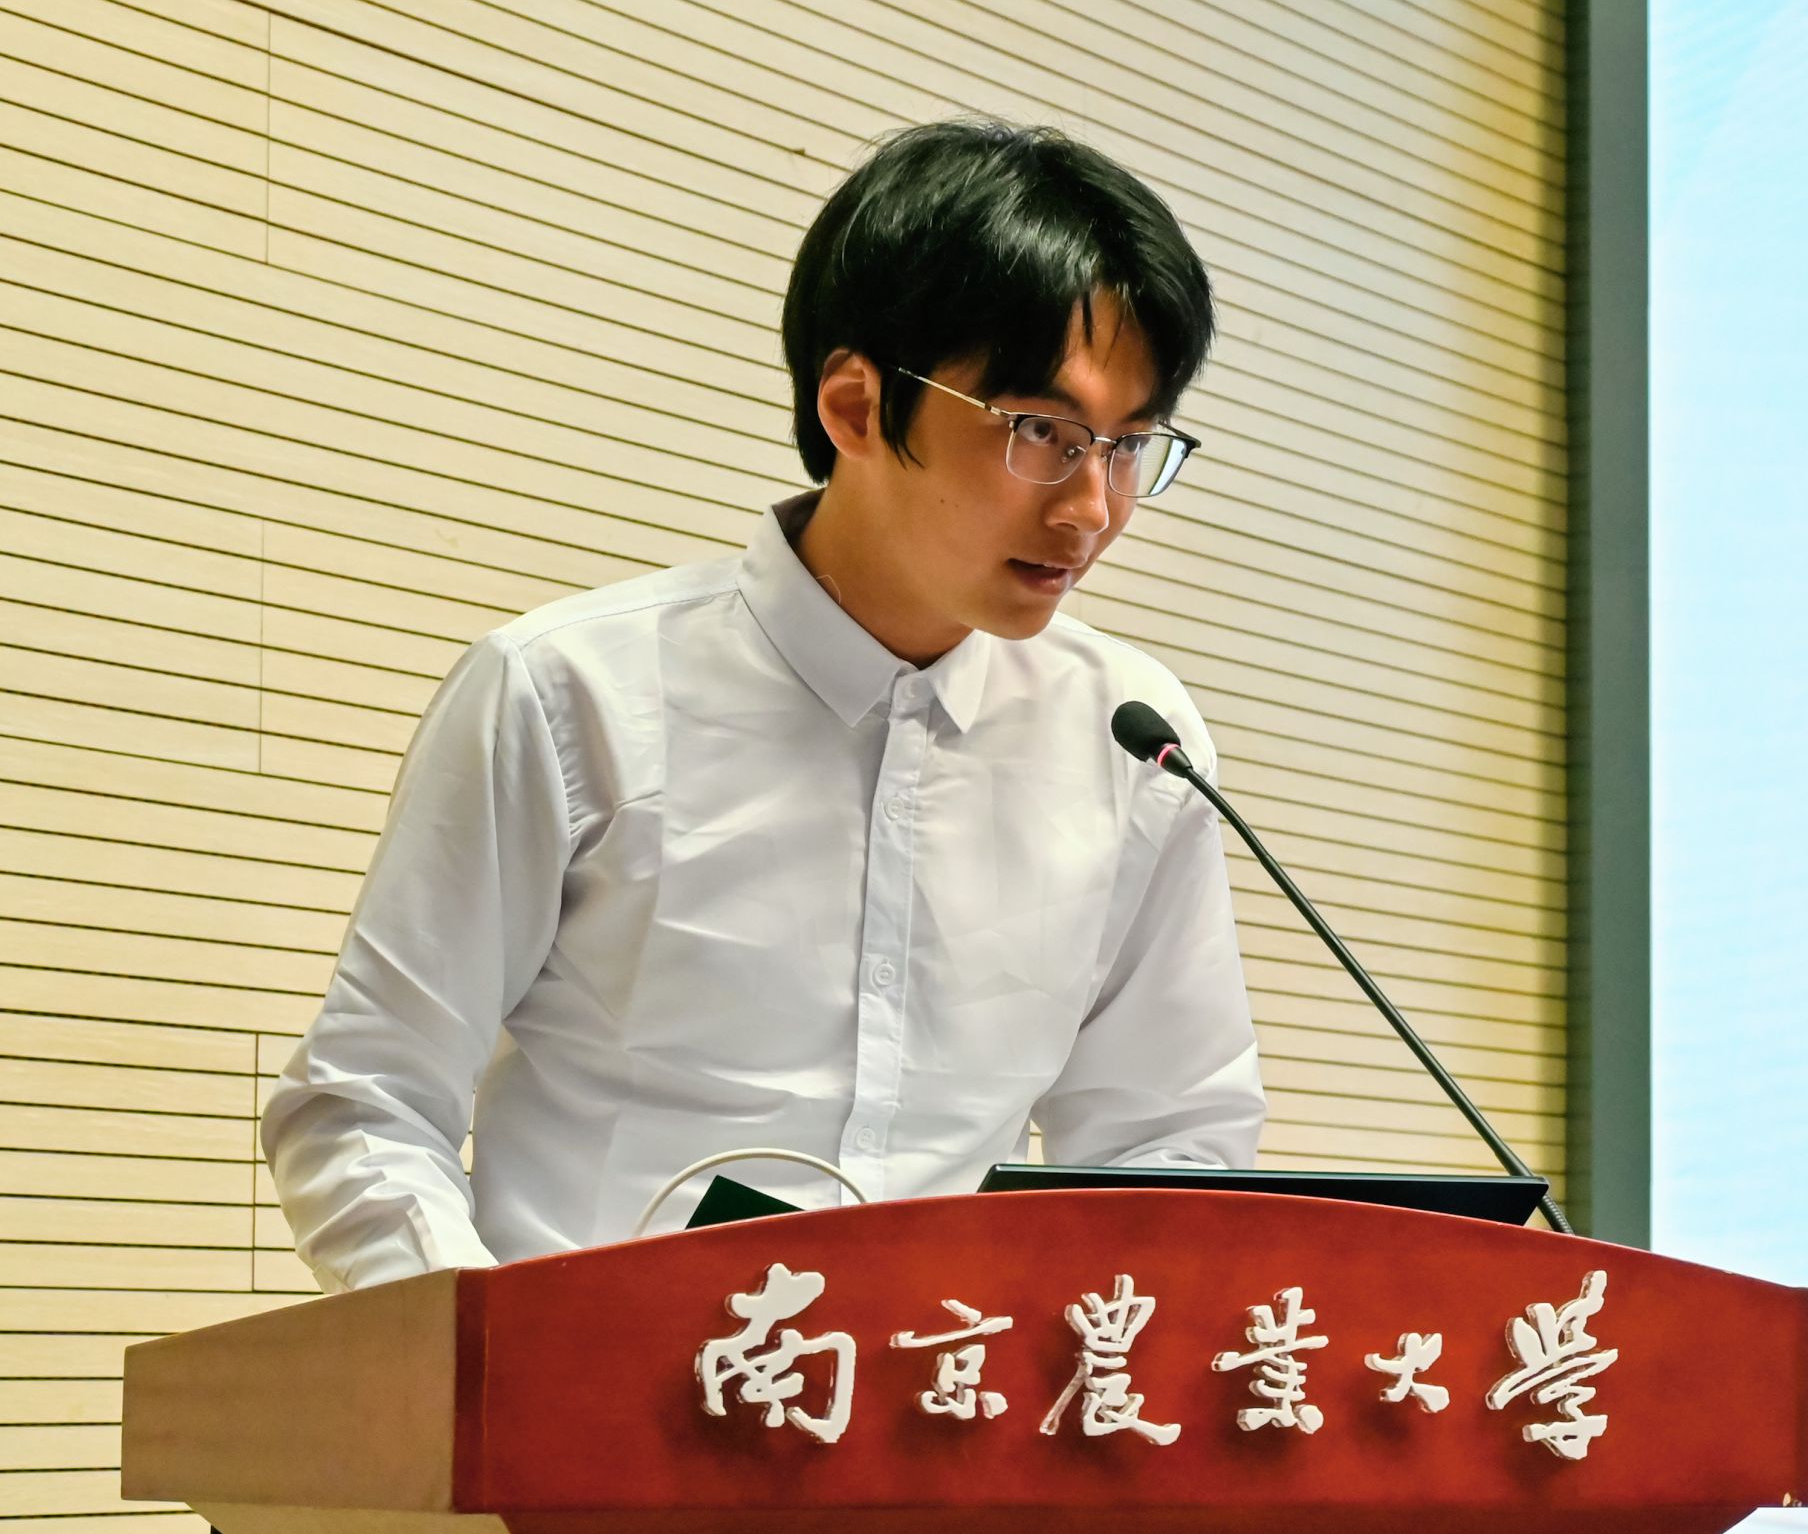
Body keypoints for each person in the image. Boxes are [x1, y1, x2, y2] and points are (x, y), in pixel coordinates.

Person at [261, 117, 1266, 1292]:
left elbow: (1164, 1142)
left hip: (942, 1395)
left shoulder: (1132, 735)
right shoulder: (568, 695)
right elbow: (367, 1102)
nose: (1090, 507)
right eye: (1041, 432)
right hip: (594, 1391)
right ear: (854, 406)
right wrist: (494, 1363)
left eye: (1128, 444)